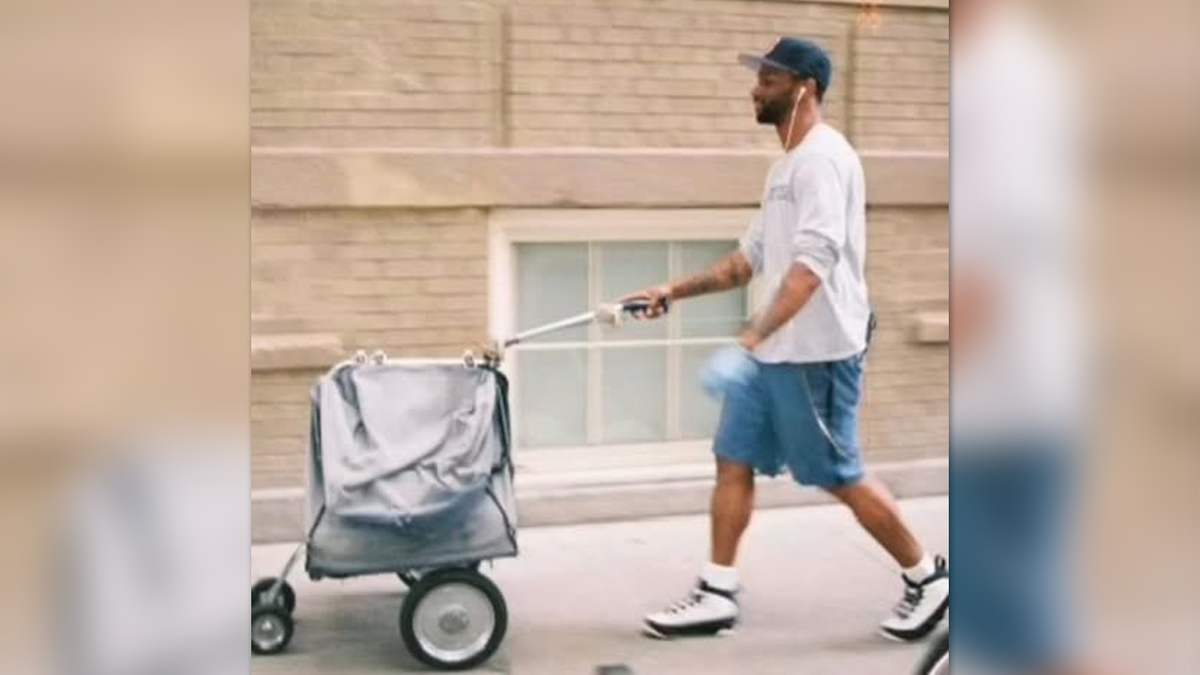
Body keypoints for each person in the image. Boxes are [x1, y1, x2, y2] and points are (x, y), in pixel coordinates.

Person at [623, 37, 948, 643]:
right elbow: (749, 261)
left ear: (807, 88)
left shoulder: (824, 159)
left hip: (816, 354)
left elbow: (812, 264)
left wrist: (749, 338)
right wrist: (672, 290)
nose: (756, 87)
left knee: (837, 472)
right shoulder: (785, 169)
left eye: (770, 78)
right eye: (759, 77)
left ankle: (928, 578)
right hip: (775, 353)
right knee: (733, 457)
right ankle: (718, 590)